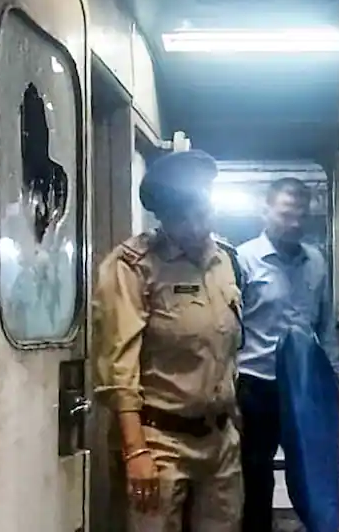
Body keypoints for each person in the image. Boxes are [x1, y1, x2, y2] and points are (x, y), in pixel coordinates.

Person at [93, 150, 244, 532]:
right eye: (182, 216)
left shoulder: (225, 260)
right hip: (158, 441)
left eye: (202, 211)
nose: (196, 225)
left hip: (220, 442)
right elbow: (119, 366)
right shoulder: (134, 265)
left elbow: (225, 350)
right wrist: (135, 452)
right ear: (163, 217)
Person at [235, 178, 339, 532]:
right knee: (256, 473)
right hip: (257, 384)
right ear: (265, 211)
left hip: (306, 386)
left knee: (314, 470)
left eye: (301, 216)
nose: (294, 223)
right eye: (285, 214)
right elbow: (228, 329)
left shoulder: (316, 261)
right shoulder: (243, 259)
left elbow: (325, 326)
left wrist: (337, 380)